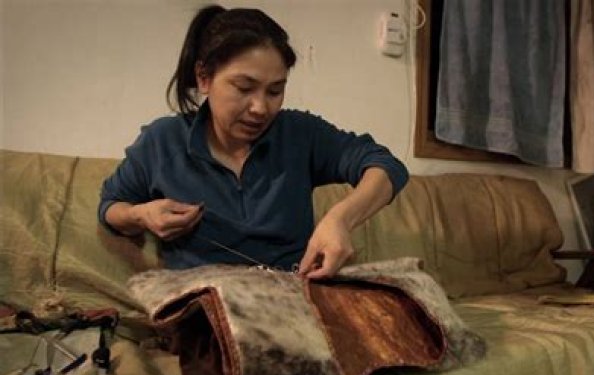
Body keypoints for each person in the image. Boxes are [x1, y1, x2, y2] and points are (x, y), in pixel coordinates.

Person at [98, 5, 409, 279]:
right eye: (244, 88)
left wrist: (340, 219)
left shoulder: (300, 134)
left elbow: (385, 165)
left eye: (275, 91)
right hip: (202, 307)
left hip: (292, 302)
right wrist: (141, 215)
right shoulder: (162, 141)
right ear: (204, 77)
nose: (260, 108)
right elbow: (111, 206)